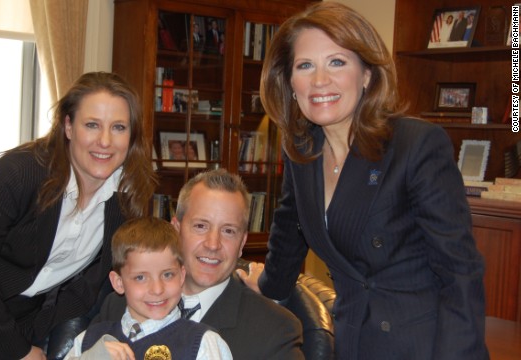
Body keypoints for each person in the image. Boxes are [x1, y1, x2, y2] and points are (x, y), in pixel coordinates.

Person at [238, 3, 489, 359]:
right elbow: (288, 232)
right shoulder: (302, 150)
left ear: (367, 75)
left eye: (337, 62)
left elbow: (460, 273)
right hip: (354, 341)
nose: (319, 80)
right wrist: (265, 287)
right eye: (305, 65)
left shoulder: (415, 145)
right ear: (290, 82)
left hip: (425, 346)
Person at [0, 71, 158, 360]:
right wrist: (16, 348)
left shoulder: (125, 202)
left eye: (118, 127)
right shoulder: (17, 174)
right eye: (92, 125)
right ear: (68, 126)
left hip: (18, 318)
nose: (105, 141)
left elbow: (90, 287)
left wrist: (34, 331)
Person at [95, 169, 303, 359]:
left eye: (228, 231)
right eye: (201, 226)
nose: (213, 244)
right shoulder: (119, 305)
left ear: (242, 243)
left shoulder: (274, 329)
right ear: (176, 229)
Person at [65, 217, 232, 360]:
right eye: (140, 278)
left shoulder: (202, 343)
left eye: (167, 275)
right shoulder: (88, 340)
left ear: (182, 275)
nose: (157, 289)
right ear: (118, 282)